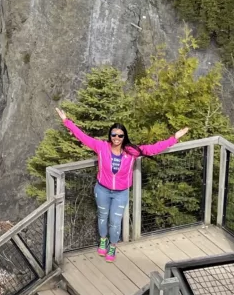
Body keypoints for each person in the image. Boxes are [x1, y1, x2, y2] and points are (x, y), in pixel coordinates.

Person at [56, 107, 189, 262]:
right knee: (102, 217)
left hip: (121, 192)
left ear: (124, 136)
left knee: (115, 221)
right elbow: (83, 137)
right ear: (110, 135)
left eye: (120, 135)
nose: (116, 138)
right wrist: (66, 121)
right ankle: (103, 240)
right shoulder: (101, 147)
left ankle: (113, 245)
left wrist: (174, 137)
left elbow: (153, 149)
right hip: (102, 190)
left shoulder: (131, 151)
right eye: (114, 134)